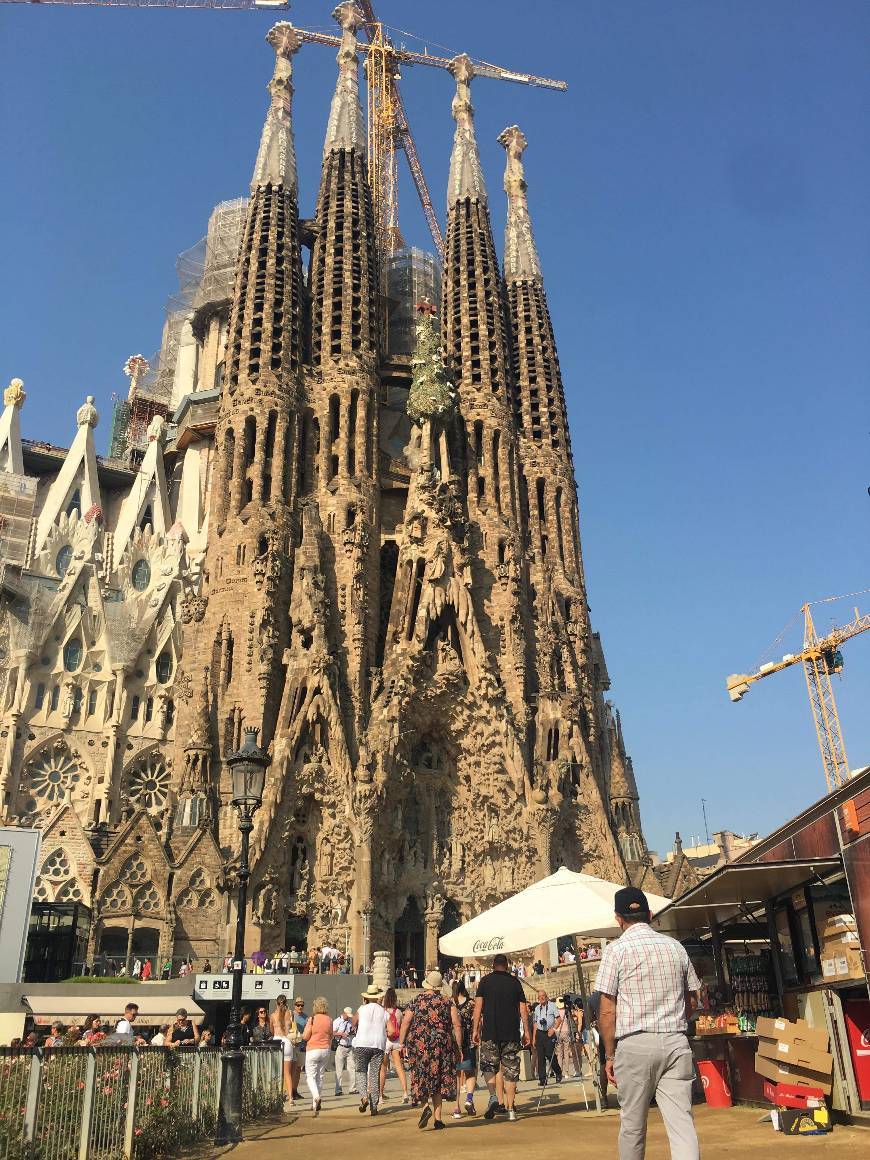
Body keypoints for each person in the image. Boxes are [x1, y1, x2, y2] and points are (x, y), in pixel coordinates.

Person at [595, 886, 701, 1160]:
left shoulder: (615, 951)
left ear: (618, 918)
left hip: (635, 1043)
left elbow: (607, 1011)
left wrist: (609, 1054)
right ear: (651, 914)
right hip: (676, 1041)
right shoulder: (675, 947)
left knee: (632, 1125)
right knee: (681, 1123)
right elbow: (693, 999)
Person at [399, 970, 462, 1131]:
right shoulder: (447, 1002)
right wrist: (459, 1046)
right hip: (441, 1044)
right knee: (439, 1079)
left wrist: (401, 1043)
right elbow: (456, 1024)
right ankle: (438, 1119)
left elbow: (406, 1022)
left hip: (420, 1044)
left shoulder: (417, 1000)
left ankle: (425, 1106)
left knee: (421, 1075)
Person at [472, 952, 530, 1123]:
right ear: (507, 965)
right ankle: (511, 1109)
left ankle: (493, 1097)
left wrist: (475, 1029)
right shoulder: (514, 983)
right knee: (511, 1072)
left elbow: (478, 1007)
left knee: (489, 1066)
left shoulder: (485, 982)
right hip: (511, 1033)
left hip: (490, 1032)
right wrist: (527, 1031)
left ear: (493, 965)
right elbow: (523, 1009)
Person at [353, 983, 388, 1116]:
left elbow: (354, 1022)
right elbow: (390, 1028)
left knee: (361, 1071)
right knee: (374, 1075)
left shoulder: (362, 1008)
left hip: (362, 1043)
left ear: (366, 997)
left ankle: (364, 1097)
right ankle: (374, 1107)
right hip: (378, 1045)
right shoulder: (383, 1011)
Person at [302, 996, 333, 1115]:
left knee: (310, 1076)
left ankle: (316, 1097)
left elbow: (305, 1036)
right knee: (320, 1076)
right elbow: (331, 1035)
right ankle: (315, 1104)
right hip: (325, 1049)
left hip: (313, 1049)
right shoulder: (329, 1019)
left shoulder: (312, 1019)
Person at [379, 987, 409, 1103]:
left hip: (386, 1040)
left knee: (383, 1069)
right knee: (399, 1068)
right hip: (396, 1041)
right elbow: (402, 1027)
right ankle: (405, 1093)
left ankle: (380, 1095)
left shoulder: (383, 1012)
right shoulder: (398, 1012)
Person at [452, 980, 477, 1118]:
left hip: (454, 1042)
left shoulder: (450, 1004)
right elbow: (477, 1020)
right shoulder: (471, 1003)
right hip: (468, 1041)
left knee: (456, 1075)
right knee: (470, 1073)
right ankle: (468, 1098)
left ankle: (456, 1107)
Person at [269, 993, 297, 1104]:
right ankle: (291, 1098)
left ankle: (278, 1096)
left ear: (276, 1003)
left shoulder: (272, 1015)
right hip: (287, 1041)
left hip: (277, 1042)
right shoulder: (290, 1013)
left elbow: (272, 1030)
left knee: (277, 1072)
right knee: (287, 1073)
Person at [532, 989, 562, 1086]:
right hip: (540, 1033)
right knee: (540, 1057)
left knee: (550, 1055)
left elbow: (559, 1019)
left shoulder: (552, 1006)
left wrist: (553, 1029)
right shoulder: (537, 1008)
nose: (541, 998)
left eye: (543, 996)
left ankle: (558, 1072)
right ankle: (542, 1079)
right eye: (539, 996)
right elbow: (535, 1024)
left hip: (549, 1032)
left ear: (546, 996)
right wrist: (534, 1038)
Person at [554, 998, 582, 1078]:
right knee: (566, 1053)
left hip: (558, 1032)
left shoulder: (556, 1011)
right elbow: (571, 1021)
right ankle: (567, 1072)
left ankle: (559, 1072)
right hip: (566, 1031)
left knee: (559, 1053)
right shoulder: (567, 1011)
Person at [332, 1005, 356, 1096]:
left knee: (352, 1068)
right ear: (344, 1013)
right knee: (339, 1069)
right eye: (347, 1015)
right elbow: (332, 1032)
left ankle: (352, 1088)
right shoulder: (337, 1021)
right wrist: (341, 1034)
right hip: (340, 1046)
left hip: (349, 1046)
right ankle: (338, 1090)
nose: (348, 1017)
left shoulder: (350, 1021)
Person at [291, 997, 308, 1098]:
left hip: (301, 1045)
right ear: (295, 1005)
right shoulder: (291, 1015)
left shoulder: (306, 1017)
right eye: (298, 1005)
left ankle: (295, 1090)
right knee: (290, 1070)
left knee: (298, 1069)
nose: (300, 1007)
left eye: (302, 1005)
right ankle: (289, 1092)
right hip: (292, 1045)